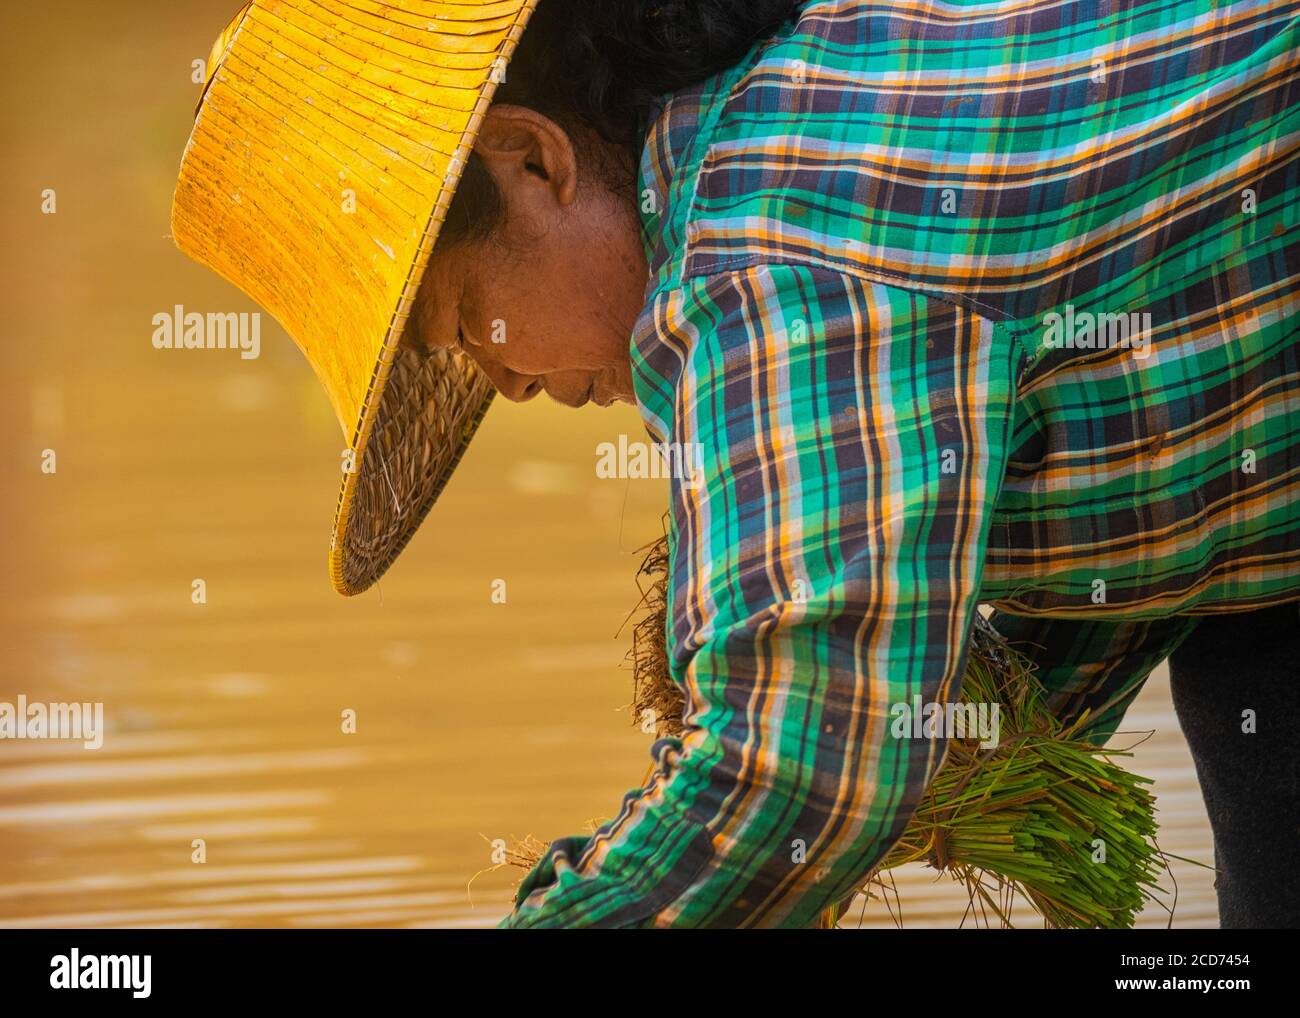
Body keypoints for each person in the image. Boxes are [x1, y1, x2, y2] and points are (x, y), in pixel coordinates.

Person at [172, 0, 1300, 928]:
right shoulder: (791, 99)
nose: (506, 383)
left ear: (535, 159)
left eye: (470, 321)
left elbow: (797, 767)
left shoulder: (757, 250)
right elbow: (1140, 442)